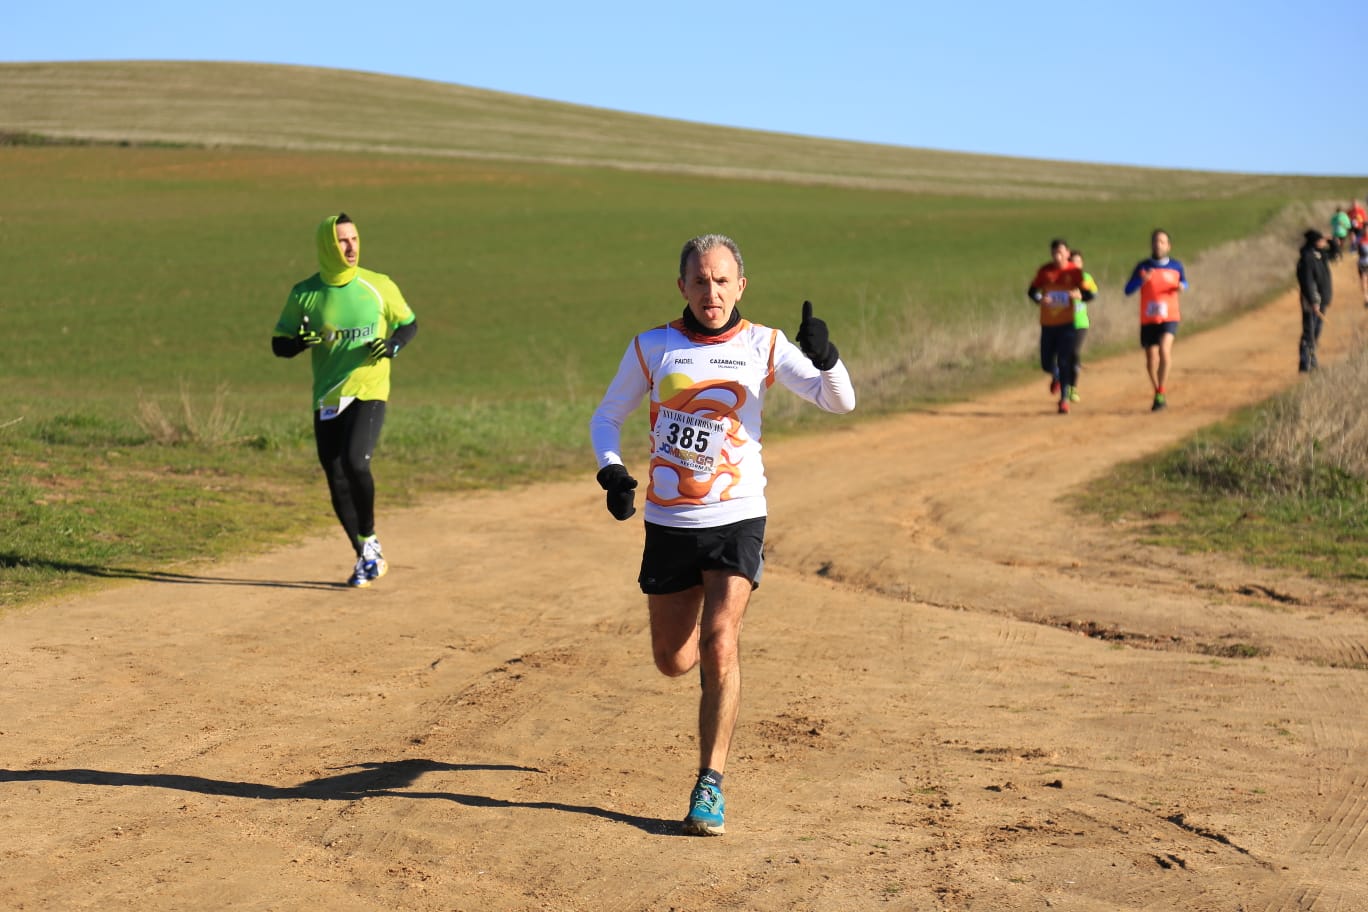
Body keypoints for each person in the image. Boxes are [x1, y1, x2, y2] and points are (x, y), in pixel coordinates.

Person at [588, 233, 855, 836]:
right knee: (673, 660)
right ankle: (710, 656)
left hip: (738, 516)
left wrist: (828, 356)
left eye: (722, 280)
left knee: (719, 641)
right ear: (682, 286)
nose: (712, 291)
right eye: (700, 280)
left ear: (741, 286)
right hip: (670, 522)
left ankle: (710, 782)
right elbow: (607, 416)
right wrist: (611, 470)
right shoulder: (653, 347)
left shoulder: (764, 345)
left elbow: (840, 402)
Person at [272, 213, 418, 587]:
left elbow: (409, 323)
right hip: (327, 396)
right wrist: (299, 343)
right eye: (342, 241)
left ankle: (368, 535)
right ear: (327, 245)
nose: (351, 247)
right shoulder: (305, 294)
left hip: (369, 388)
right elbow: (279, 343)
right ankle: (367, 556)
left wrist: (393, 345)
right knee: (334, 473)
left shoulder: (377, 285)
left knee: (356, 461)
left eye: (354, 239)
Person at [1124, 228, 1188, 411]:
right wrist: (1141, 281)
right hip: (1148, 318)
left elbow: (1184, 282)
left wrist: (1182, 286)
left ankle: (1161, 389)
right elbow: (1128, 290)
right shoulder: (1143, 267)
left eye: (1162, 242)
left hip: (1170, 316)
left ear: (1168, 246)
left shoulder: (1176, 266)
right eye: (1155, 241)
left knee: (1164, 352)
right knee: (1151, 359)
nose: (1158, 245)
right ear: (1151, 244)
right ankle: (1158, 391)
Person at [1026, 238, 1091, 414]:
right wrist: (1041, 299)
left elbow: (1089, 294)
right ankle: (1055, 375)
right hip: (1048, 324)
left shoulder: (1075, 272)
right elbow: (1031, 292)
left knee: (1064, 360)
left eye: (1061, 252)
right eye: (1055, 252)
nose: (1058, 256)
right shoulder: (1044, 271)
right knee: (1046, 363)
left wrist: (1078, 295)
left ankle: (1064, 400)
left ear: (1068, 254)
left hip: (1067, 325)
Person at [1296, 229, 1332, 372]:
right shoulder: (1307, 258)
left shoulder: (1320, 255)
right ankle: (1306, 363)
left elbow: (1335, 253)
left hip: (1321, 300)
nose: (1324, 241)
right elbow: (1308, 282)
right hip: (1311, 301)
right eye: (1321, 239)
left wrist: (1332, 241)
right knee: (1309, 332)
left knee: (1316, 332)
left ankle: (1312, 359)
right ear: (1315, 242)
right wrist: (1313, 301)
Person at [1067, 249, 1099, 403]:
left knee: (1074, 352)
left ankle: (1073, 388)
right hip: (1062, 323)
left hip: (1080, 323)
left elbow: (1094, 295)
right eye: (1073, 261)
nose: (1076, 264)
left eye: (1078, 261)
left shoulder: (1086, 278)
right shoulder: (1063, 279)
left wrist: (1082, 296)